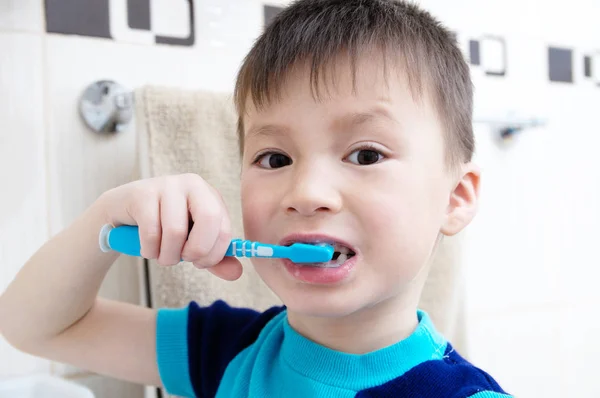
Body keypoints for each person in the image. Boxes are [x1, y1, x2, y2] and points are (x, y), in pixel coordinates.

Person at [0, 0, 511, 396]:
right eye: (274, 159)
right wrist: (106, 216)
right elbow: (33, 326)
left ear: (455, 197)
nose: (306, 193)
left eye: (365, 154)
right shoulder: (229, 352)